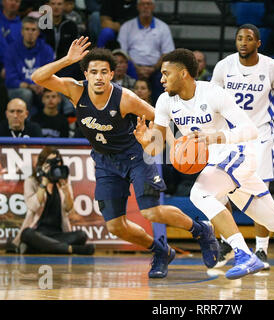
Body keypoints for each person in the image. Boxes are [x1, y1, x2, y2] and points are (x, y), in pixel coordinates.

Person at [134, 48, 274, 284]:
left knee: (199, 193)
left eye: (165, 74)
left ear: (183, 74)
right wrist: (145, 142)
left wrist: (214, 137)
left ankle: (243, 254)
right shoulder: (164, 101)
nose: (160, 79)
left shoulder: (213, 93)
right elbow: (155, 149)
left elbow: (250, 130)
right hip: (220, 164)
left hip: (242, 152)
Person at [31, 36, 220, 279]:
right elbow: (38, 78)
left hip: (135, 156)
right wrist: (68, 59)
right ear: (86, 75)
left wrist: (169, 144)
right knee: (114, 226)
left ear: (112, 75)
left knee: (150, 212)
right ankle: (161, 251)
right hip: (105, 161)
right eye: (93, 72)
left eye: (104, 72)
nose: (98, 77)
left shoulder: (125, 98)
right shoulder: (74, 90)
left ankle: (201, 230)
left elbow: (159, 117)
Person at [210, 24, 274, 270]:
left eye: (249, 38)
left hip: (260, 138)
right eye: (239, 38)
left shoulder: (272, 67)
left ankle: (261, 250)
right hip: (229, 138)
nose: (243, 42)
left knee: (260, 197)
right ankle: (227, 243)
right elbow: (211, 103)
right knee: (217, 193)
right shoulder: (223, 67)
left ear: (258, 43)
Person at [6, 146, 95, 255]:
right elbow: (33, 206)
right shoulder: (31, 181)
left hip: (58, 233)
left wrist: (66, 189)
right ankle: (72, 249)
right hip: (38, 232)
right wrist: (43, 183)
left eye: (56, 162)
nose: (53, 166)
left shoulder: (62, 181)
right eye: (50, 162)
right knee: (27, 234)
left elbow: (69, 209)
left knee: (81, 235)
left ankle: (36, 248)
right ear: (42, 164)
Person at [117, 0, 175, 103]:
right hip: (132, 67)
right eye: (143, 4)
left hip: (156, 68)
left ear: (153, 7)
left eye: (148, 4)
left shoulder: (163, 27)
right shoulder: (127, 27)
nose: (145, 7)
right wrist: (137, 68)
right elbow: (123, 52)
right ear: (138, 7)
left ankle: (159, 111)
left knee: (163, 78)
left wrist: (153, 68)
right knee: (125, 71)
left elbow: (167, 53)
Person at [4, 16, 54, 115]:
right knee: (26, 94)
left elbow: (51, 73)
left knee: (55, 93)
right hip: (19, 88)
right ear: (22, 32)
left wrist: (42, 85)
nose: (30, 33)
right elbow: (10, 79)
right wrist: (29, 86)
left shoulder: (46, 49)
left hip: (41, 86)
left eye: (33, 30)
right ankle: (26, 123)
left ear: (38, 32)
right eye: (27, 29)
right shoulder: (11, 50)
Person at [41, 0, 81, 79]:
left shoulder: (71, 25)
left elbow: (75, 49)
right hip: (44, 63)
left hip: (65, 64)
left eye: (59, 4)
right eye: (53, 4)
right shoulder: (41, 24)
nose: (56, 7)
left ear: (64, 6)